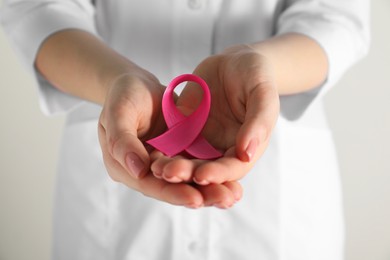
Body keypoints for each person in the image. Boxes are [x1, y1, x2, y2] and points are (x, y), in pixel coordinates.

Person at [0, 0, 369, 259]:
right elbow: (36, 9)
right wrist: (116, 80)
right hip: (116, 193)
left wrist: (261, 69)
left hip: (276, 206)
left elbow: (336, 16)